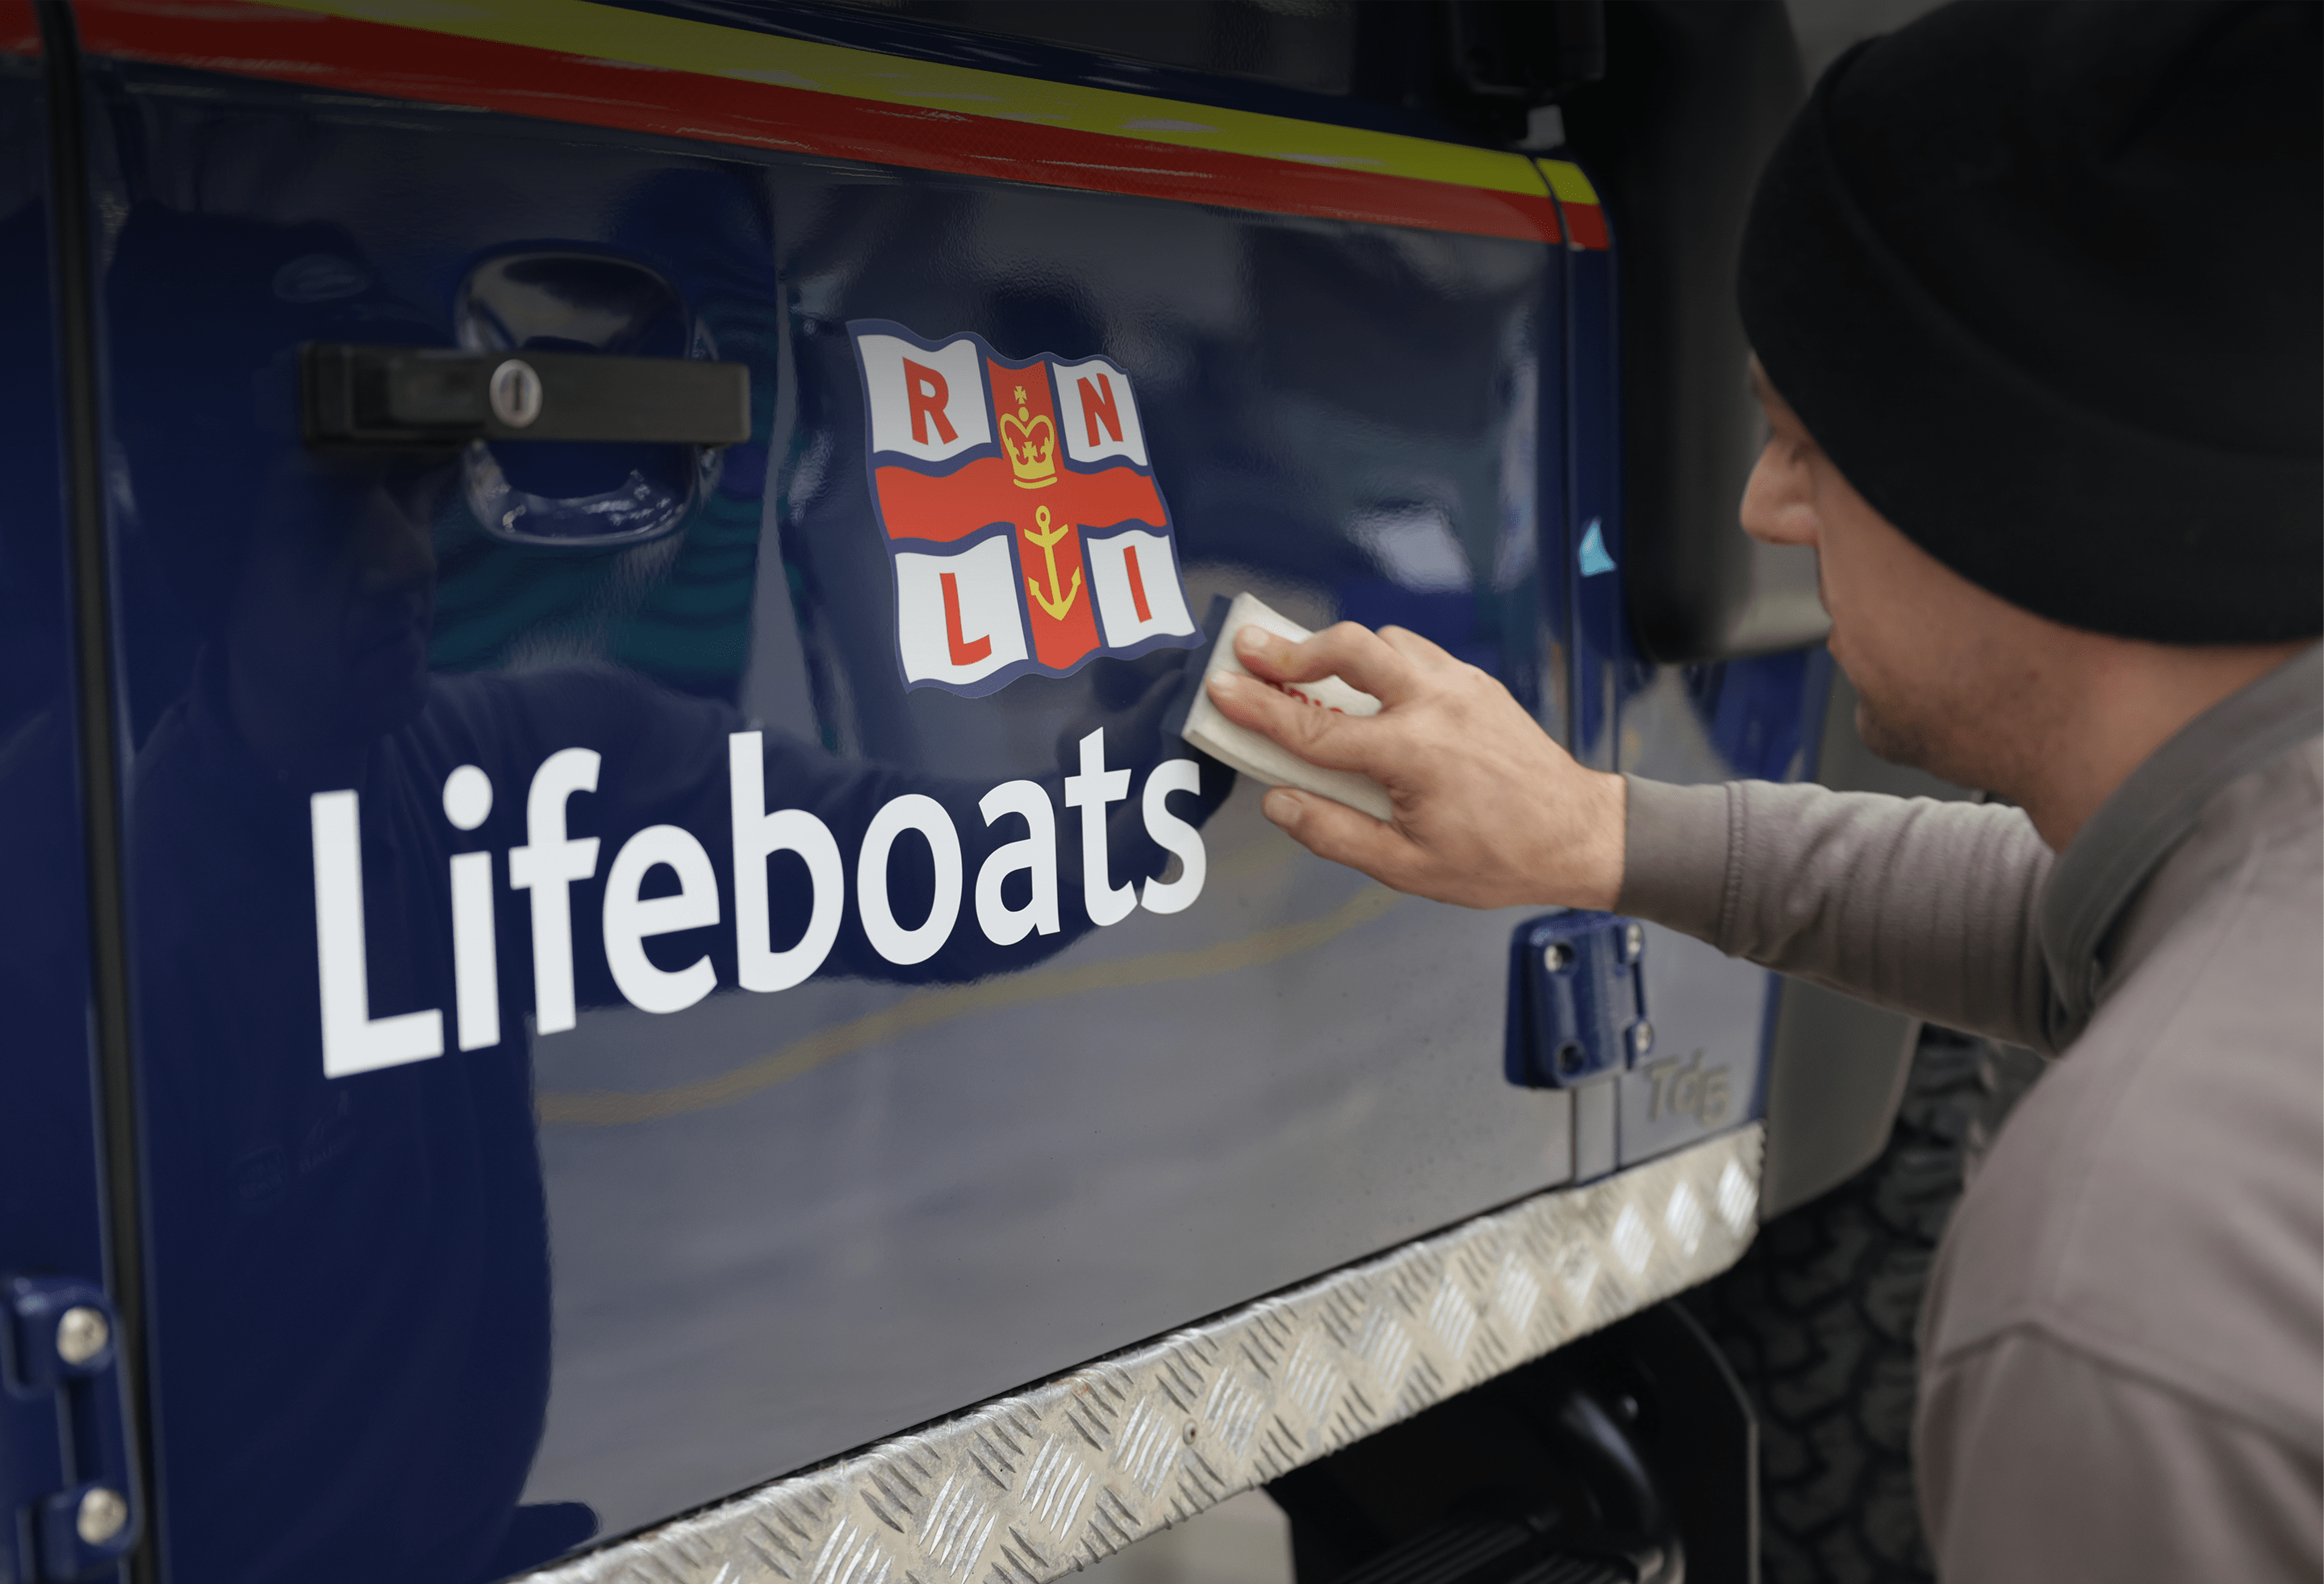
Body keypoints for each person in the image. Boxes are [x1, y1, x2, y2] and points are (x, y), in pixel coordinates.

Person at [1203, 3, 2321, 1579]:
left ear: (2007, 477)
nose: (1760, 508)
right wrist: (1595, 830)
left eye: (1802, 440)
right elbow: (2063, 920)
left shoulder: (2116, 1299)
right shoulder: (2258, 904)